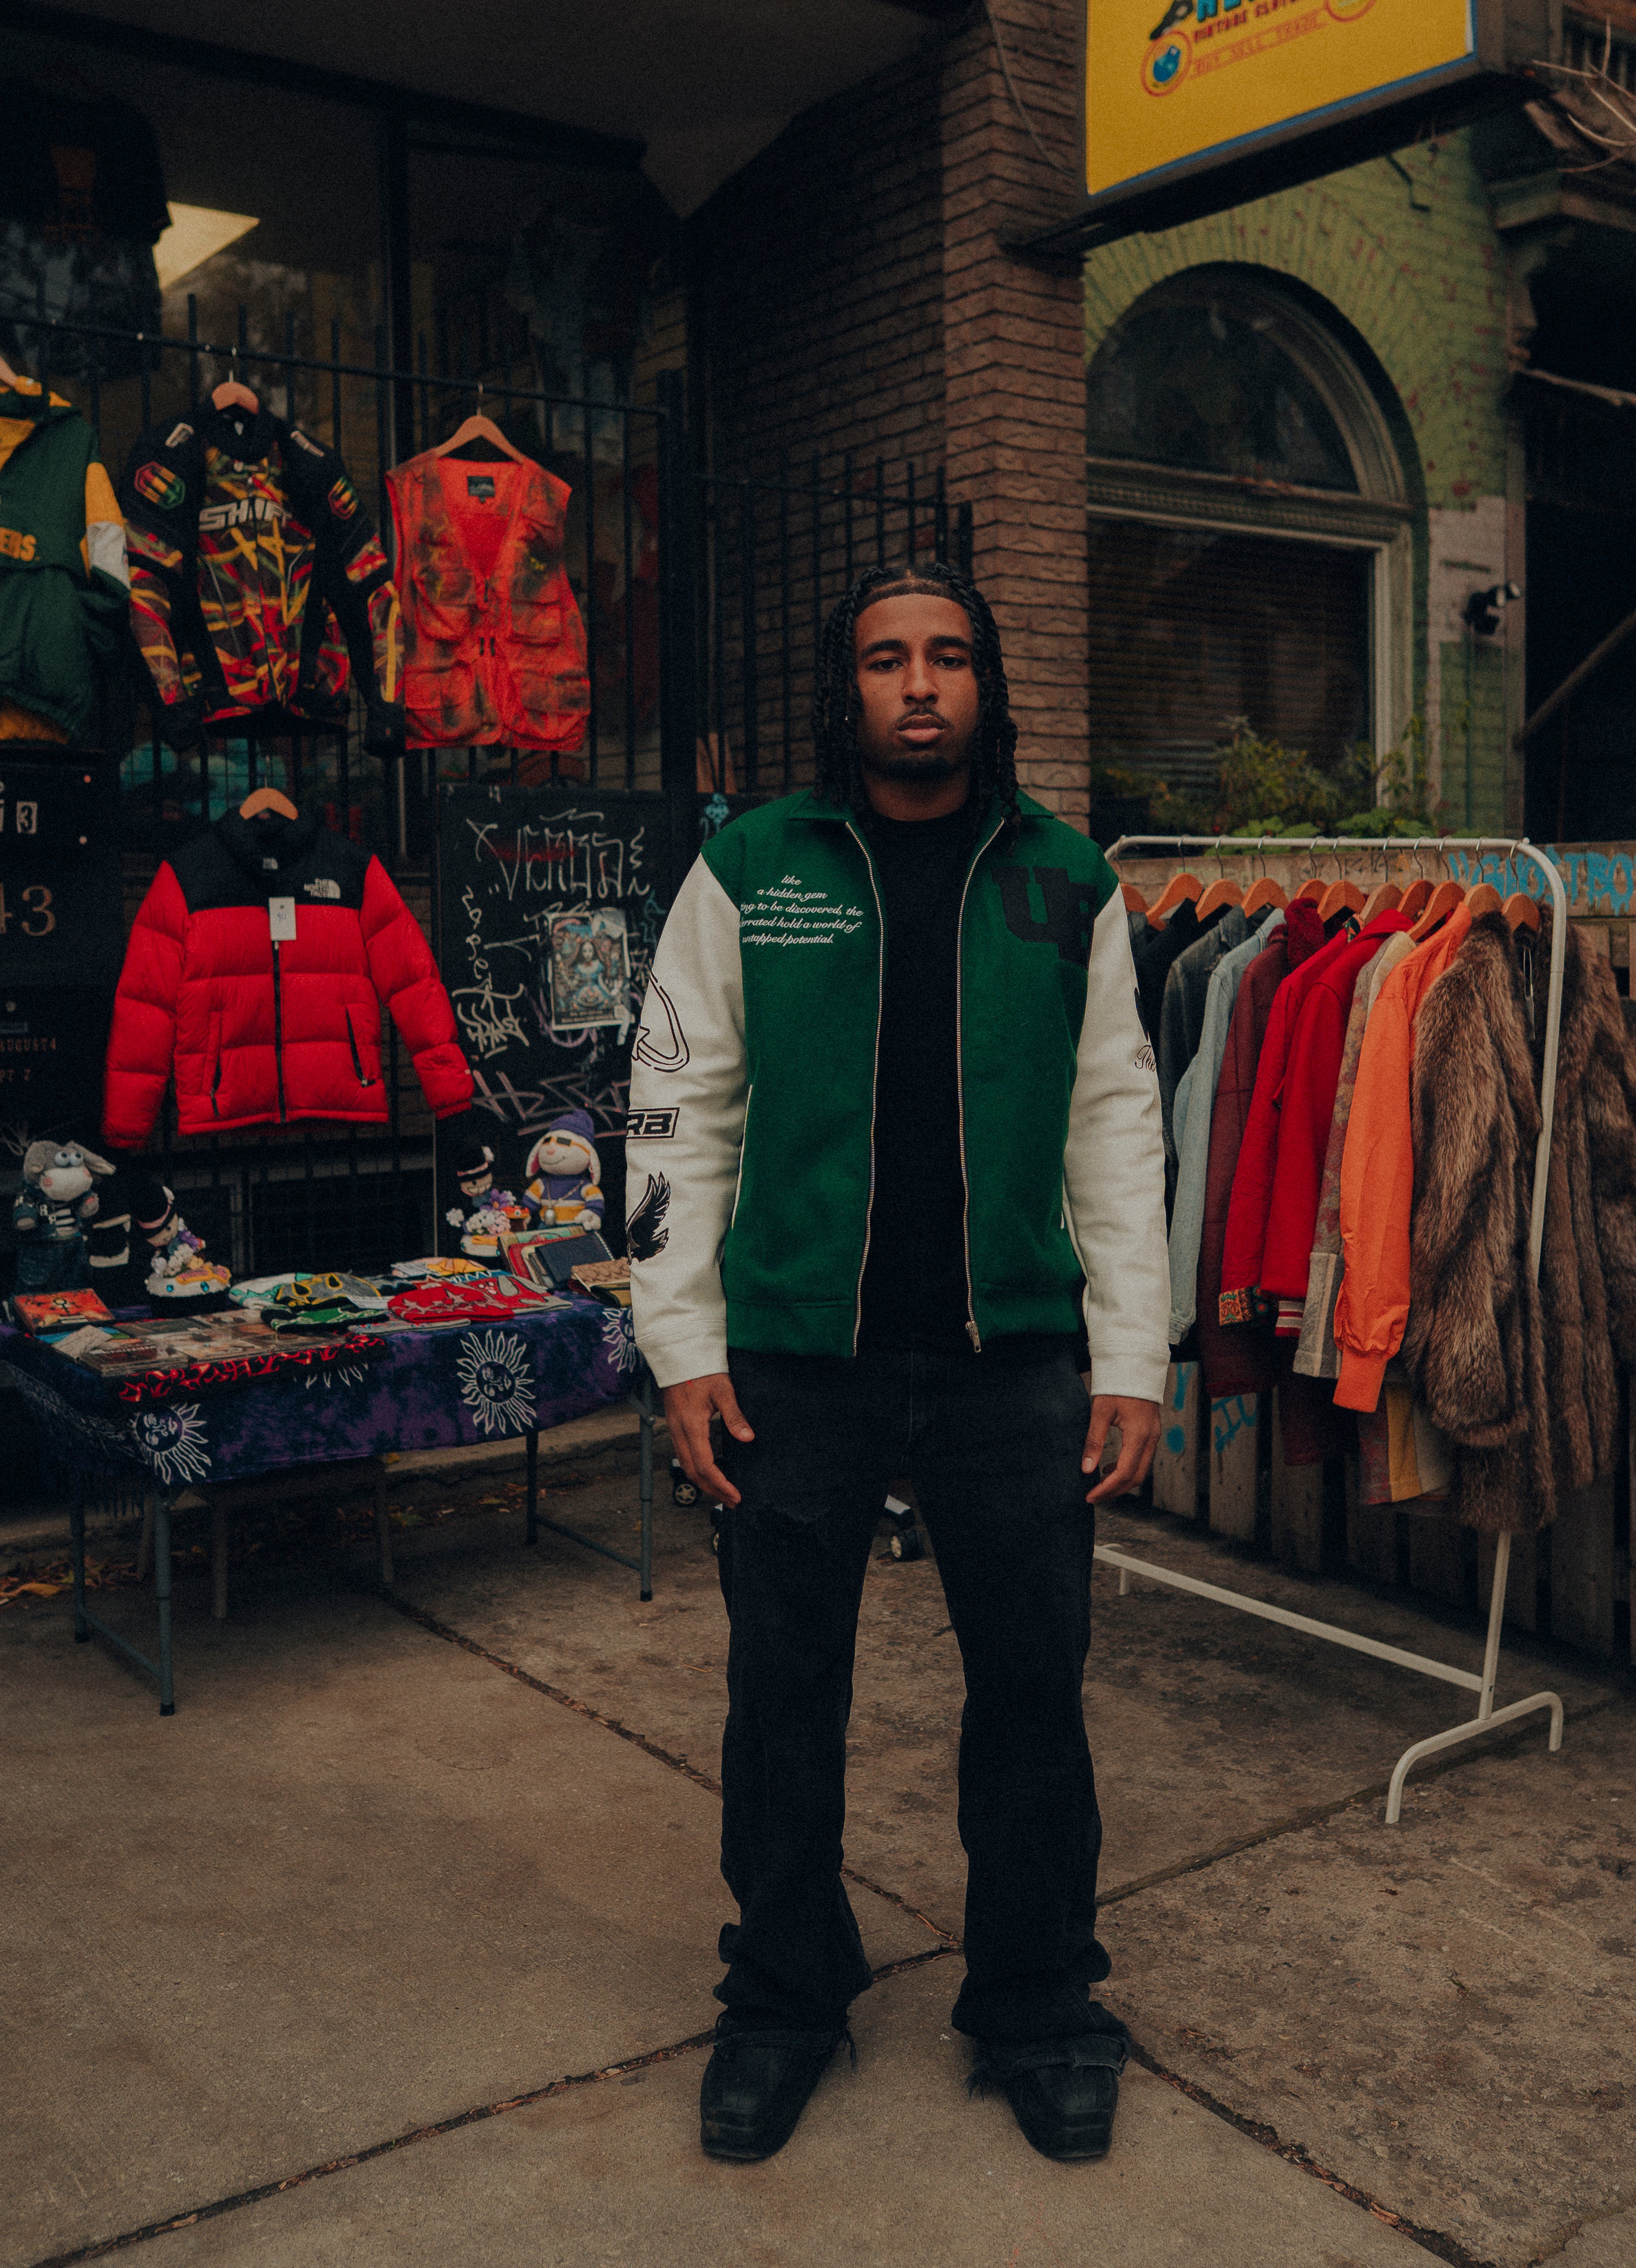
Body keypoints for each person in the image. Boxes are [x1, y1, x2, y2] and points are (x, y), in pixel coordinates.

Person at [627, 559, 1168, 2167]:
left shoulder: (1066, 878)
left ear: (986, 684)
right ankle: (785, 1996)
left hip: (1014, 1361)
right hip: (797, 1359)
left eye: (946, 656)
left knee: (1033, 1694)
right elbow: (675, 1111)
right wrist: (681, 1344)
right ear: (844, 686)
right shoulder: (752, 866)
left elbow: (1116, 1124)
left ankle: (1039, 2002)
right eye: (885, 658)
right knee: (783, 1694)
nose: (918, 683)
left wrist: (1132, 1354)